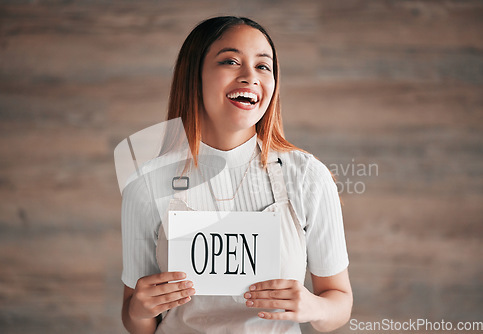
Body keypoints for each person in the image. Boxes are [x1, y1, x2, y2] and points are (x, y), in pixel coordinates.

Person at [120, 16, 352, 333]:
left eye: (263, 66)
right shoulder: (147, 184)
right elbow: (138, 322)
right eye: (230, 61)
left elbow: (339, 302)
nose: (249, 76)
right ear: (194, 75)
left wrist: (313, 306)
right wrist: (138, 309)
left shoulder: (307, 176)